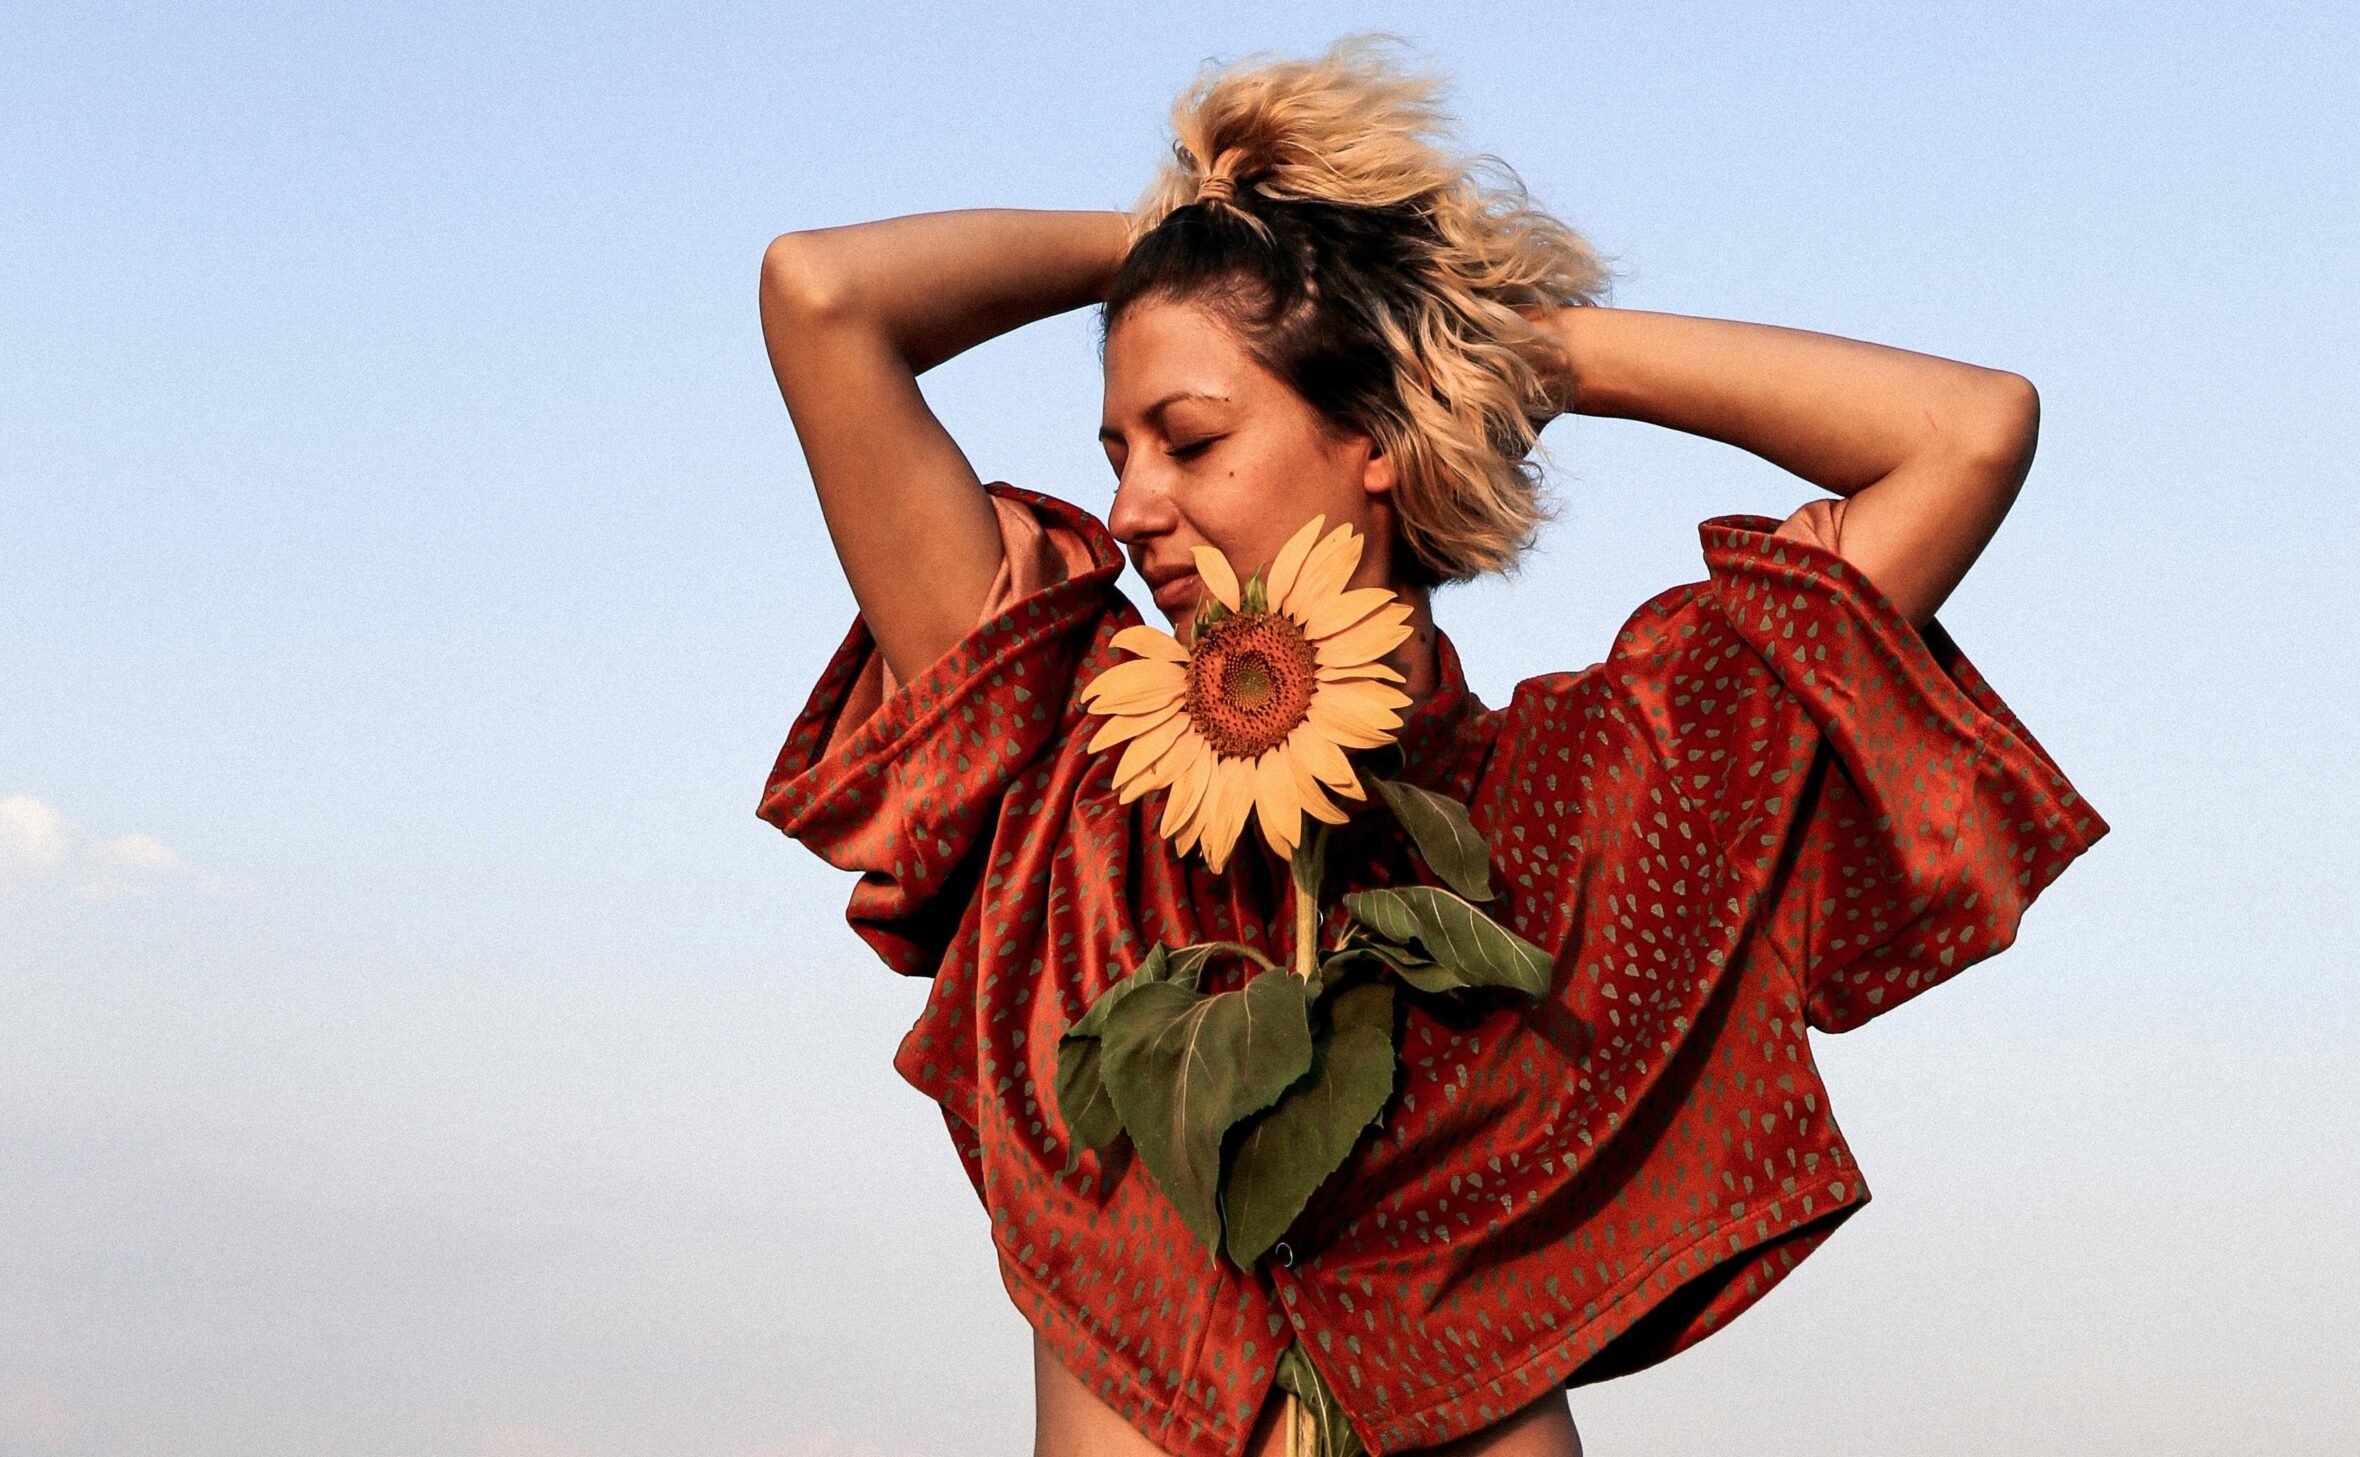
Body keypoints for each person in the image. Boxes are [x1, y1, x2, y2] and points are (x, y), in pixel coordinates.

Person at [755, 37, 2104, 1457]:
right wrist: (1187, 247)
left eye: (1191, 439)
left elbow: (1966, 428)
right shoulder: (1059, 755)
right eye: (1116, 453)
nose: (1136, 504)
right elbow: (822, 297)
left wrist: (1468, 332)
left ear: (1376, 438)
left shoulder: (1594, 786)